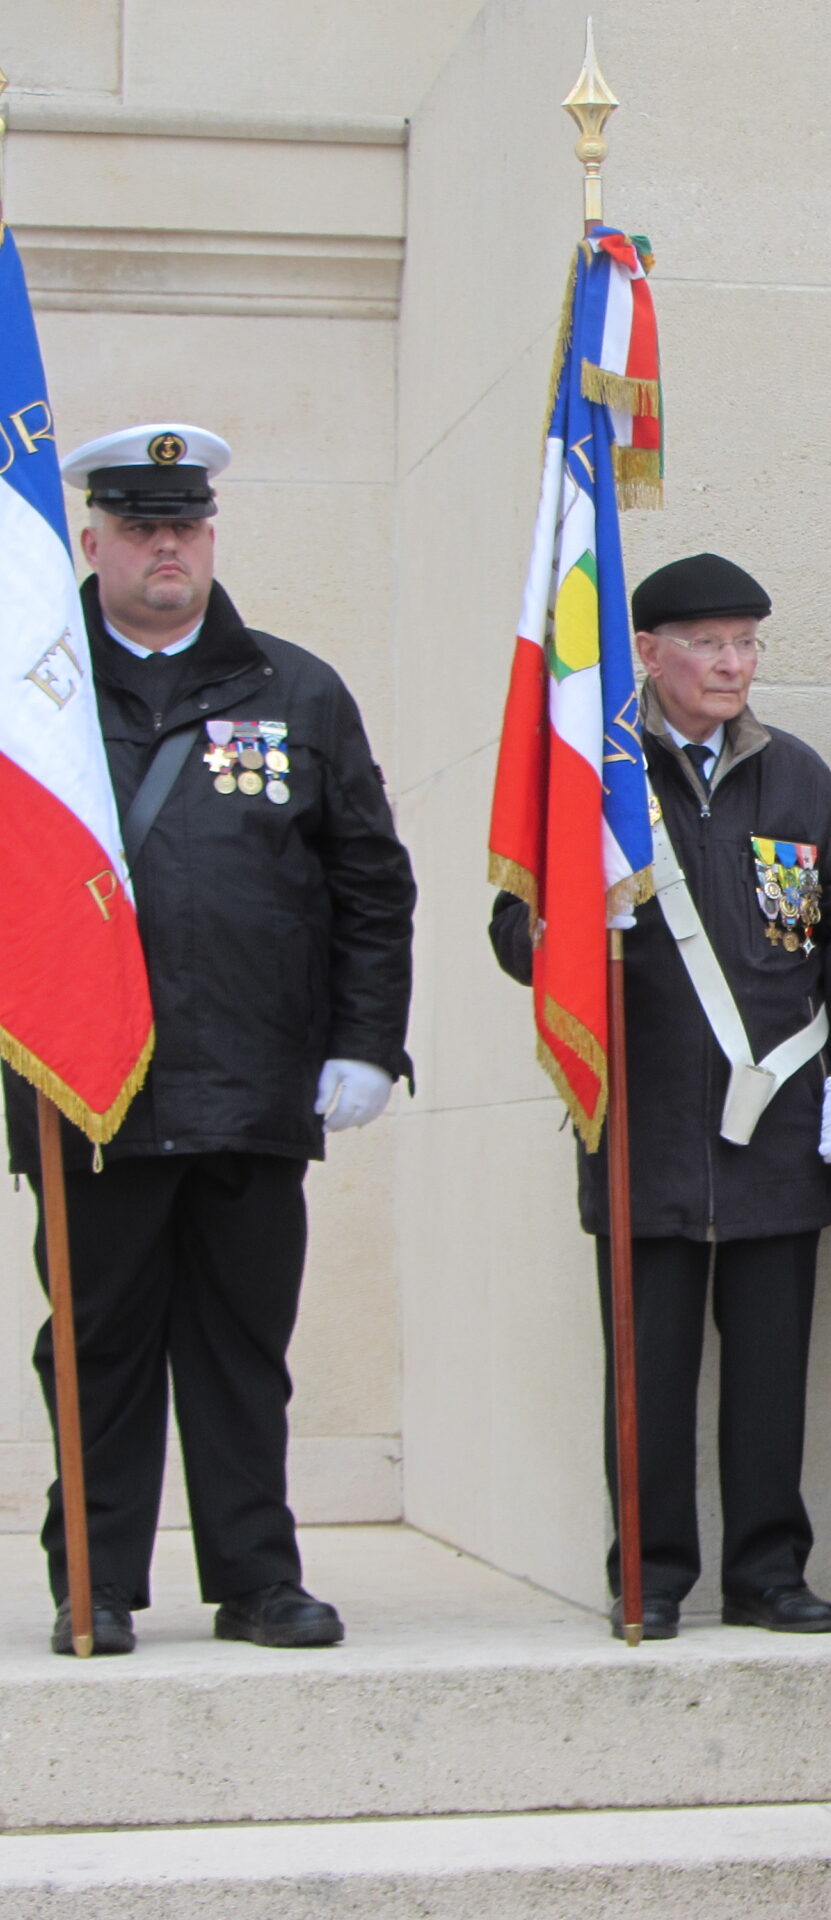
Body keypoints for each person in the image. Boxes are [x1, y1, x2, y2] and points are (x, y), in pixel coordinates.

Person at [5, 424, 415, 1657]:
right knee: (98, 1345)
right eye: (139, 527)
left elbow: (369, 884)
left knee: (242, 1351)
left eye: (184, 525)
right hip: (90, 1090)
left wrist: (364, 1041)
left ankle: (256, 1579)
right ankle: (97, 1579)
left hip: (251, 1083)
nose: (166, 546)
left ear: (211, 538)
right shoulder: (31, 691)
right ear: (91, 542)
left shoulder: (294, 690)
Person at [490, 552, 831, 1639]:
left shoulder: (798, 777)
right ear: (645, 653)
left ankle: (768, 1572)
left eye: (748, 644)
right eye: (711, 645)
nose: (734, 666)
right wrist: (570, 926)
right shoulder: (596, 771)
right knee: (649, 1368)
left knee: (773, 1370)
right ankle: (653, 1572)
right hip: (648, 1118)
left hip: (779, 1121)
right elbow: (511, 925)